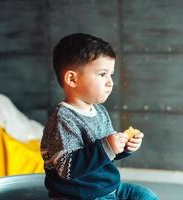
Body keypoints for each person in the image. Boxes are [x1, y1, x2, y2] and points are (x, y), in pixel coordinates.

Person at [40, 33, 159, 200]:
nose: (110, 82)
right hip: (78, 195)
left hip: (109, 188)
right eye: (102, 74)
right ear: (72, 79)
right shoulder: (62, 118)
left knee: (145, 195)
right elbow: (66, 167)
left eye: (111, 74)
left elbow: (105, 154)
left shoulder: (100, 111)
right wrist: (107, 146)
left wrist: (124, 146)